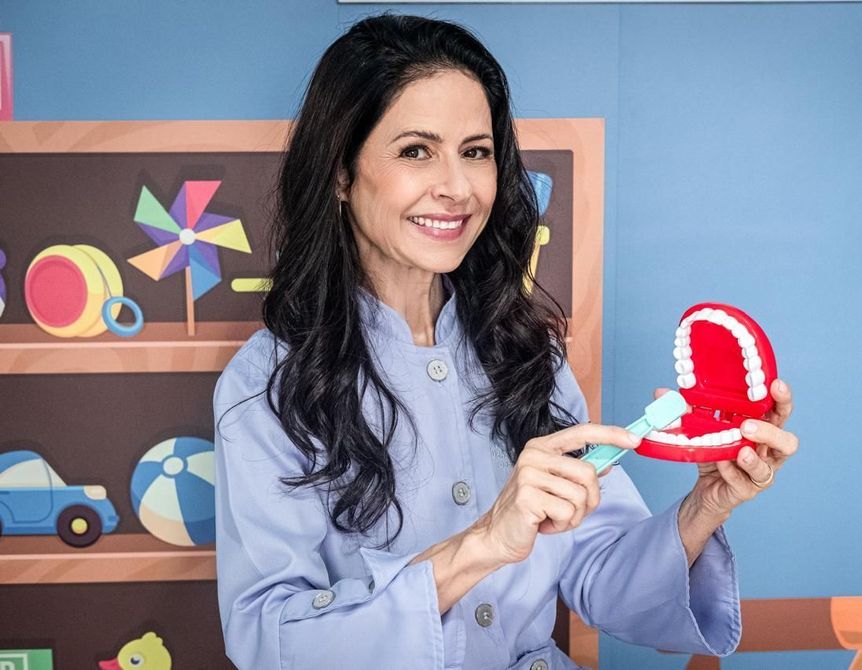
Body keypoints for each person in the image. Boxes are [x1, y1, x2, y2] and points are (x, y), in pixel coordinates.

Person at [213, 14, 798, 670]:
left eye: (476, 150)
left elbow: (600, 574)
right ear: (341, 174)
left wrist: (702, 507)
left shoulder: (527, 354)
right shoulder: (268, 380)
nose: (458, 187)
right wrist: (484, 542)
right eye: (415, 151)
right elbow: (271, 640)